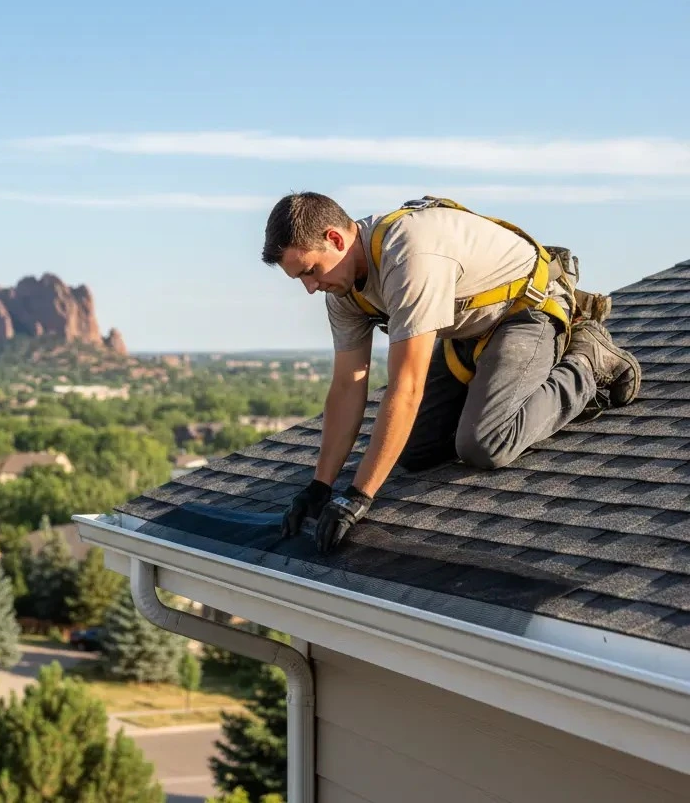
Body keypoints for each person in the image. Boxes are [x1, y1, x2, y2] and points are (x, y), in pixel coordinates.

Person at [262, 191, 641, 554]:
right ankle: (490, 386)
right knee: (410, 451)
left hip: (525, 313)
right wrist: (320, 486)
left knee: (485, 442)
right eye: (301, 279)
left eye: (311, 271)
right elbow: (348, 385)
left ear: (335, 238)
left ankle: (588, 360)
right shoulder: (342, 290)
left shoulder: (408, 256)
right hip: (467, 332)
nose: (311, 288)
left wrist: (358, 498)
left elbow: (405, 389)